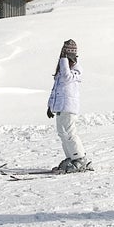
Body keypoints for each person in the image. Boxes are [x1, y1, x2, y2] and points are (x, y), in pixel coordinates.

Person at [46, 39, 91, 173]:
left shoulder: (74, 72)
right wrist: (50, 106)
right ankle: (72, 157)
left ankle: (80, 158)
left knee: (70, 133)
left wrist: (64, 59)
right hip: (61, 107)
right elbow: (55, 90)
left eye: (65, 54)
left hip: (69, 107)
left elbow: (66, 77)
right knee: (62, 133)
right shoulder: (62, 71)